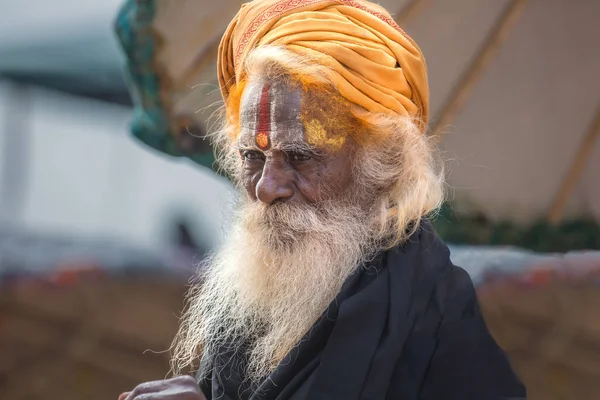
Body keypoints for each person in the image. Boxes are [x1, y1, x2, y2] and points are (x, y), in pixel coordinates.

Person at [118, 0, 526, 398]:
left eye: (300, 157)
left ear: (381, 167)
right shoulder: (253, 300)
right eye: (252, 157)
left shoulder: (439, 328)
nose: (266, 188)